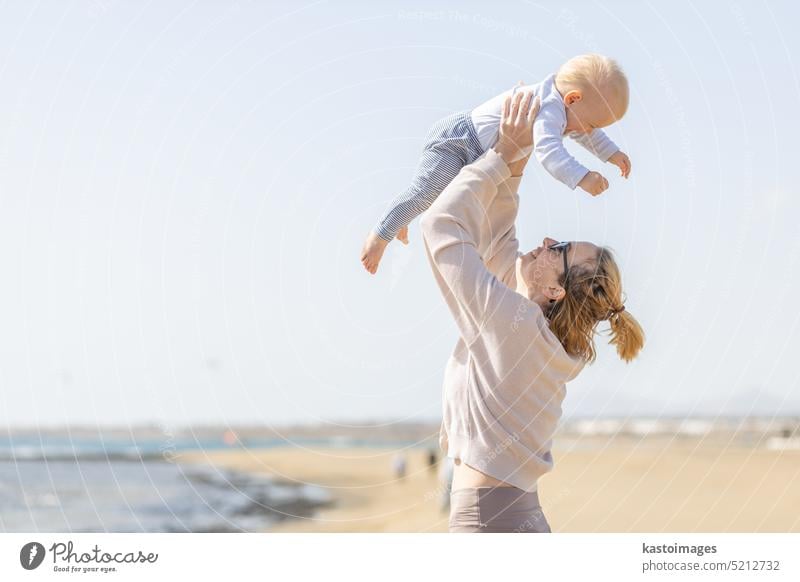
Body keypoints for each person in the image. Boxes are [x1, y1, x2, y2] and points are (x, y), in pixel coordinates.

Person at [420, 89, 644, 533]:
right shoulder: (539, 336)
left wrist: (501, 155)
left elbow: (439, 225)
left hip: (489, 523)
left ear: (558, 291)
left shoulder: (516, 326)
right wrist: (515, 159)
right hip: (514, 517)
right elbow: (500, 246)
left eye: (557, 249)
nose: (545, 241)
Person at [360, 53, 632, 274]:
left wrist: (612, 153)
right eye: (592, 124)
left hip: (477, 151)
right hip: (459, 142)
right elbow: (549, 153)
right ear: (573, 99)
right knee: (427, 194)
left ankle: (403, 213)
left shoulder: (564, 108)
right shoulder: (550, 110)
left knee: (437, 197)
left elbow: (588, 135)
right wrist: (582, 177)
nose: (588, 131)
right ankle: (381, 234)